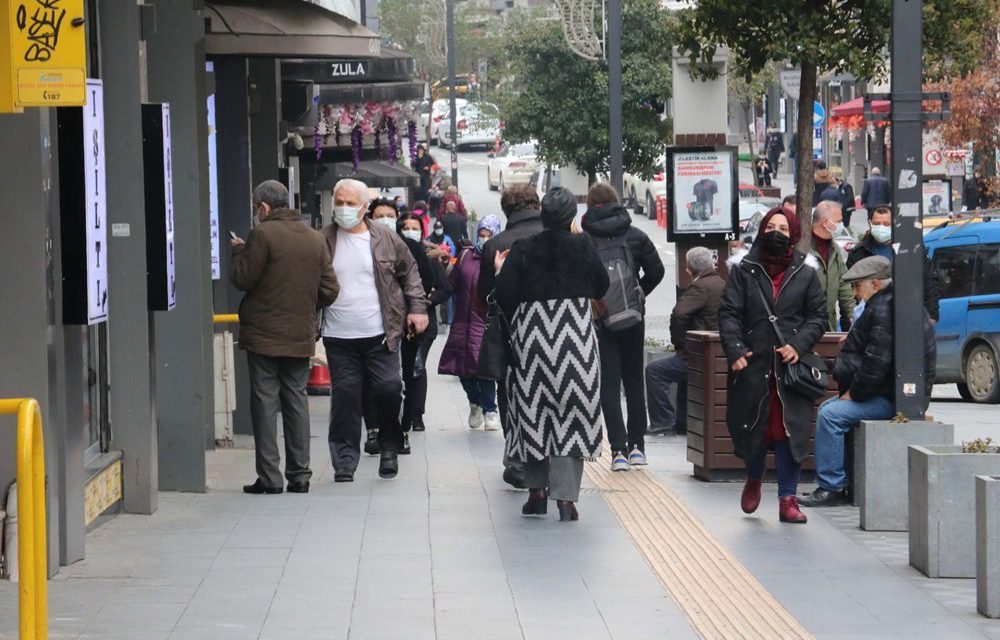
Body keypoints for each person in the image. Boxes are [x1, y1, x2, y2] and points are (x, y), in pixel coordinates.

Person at [494, 187, 610, 522]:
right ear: (572, 216)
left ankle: (536, 493)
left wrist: (502, 272)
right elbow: (601, 287)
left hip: (532, 342)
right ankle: (566, 499)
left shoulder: (523, 249)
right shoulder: (582, 246)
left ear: (543, 216)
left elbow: (503, 295)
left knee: (534, 413)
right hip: (576, 340)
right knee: (573, 417)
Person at [719, 207, 828, 524]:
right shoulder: (744, 269)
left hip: (789, 370)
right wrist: (735, 349)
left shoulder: (805, 273)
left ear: (793, 233)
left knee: (788, 432)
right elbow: (728, 313)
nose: (777, 233)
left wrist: (798, 344)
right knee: (754, 427)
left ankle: (788, 499)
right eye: (771, 226)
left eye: (783, 227)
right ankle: (754, 478)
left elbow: (818, 317)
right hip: (753, 365)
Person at [230, 180, 340, 495]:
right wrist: (304, 302)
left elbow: (243, 278)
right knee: (295, 399)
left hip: (263, 334)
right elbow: (331, 289)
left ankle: (270, 477)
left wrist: (239, 252)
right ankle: (300, 475)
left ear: (263, 207)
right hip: (299, 332)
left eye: (256, 209)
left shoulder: (262, 234)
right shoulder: (314, 238)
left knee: (265, 403)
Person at [800, 257, 937, 506]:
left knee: (830, 416)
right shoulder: (888, 303)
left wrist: (854, 393)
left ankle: (831, 486)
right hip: (887, 392)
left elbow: (877, 362)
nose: (854, 293)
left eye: (857, 286)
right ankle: (837, 481)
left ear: (875, 283)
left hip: (889, 398)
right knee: (829, 410)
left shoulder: (885, 308)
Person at [321, 179, 428, 483]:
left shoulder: (386, 238)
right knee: (346, 395)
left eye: (350, 203)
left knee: (390, 388)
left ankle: (390, 447)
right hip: (339, 335)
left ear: (365, 207)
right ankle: (344, 460)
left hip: (380, 333)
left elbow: (411, 276)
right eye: (338, 202)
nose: (343, 208)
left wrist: (417, 310)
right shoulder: (323, 240)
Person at [581, 183, 665, 470]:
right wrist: (638, 293)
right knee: (633, 380)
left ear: (591, 204)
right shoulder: (635, 235)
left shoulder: (585, 239)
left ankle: (617, 451)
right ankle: (637, 446)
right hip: (632, 317)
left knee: (609, 382)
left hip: (601, 318)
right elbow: (657, 271)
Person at [478, 184, 545, 489]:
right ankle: (546, 459)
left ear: (507, 210)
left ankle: (516, 455)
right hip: (555, 330)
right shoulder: (557, 237)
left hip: (512, 334)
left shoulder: (497, 244)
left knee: (511, 393)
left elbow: (484, 295)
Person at [646, 247, 724, 435]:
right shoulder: (720, 282)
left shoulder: (700, 287)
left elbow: (679, 313)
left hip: (700, 354)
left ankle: (662, 422)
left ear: (689, 269)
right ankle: (682, 421)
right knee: (681, 375)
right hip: (716, 353)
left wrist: (680, 343)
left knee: (655, 371)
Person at [439, 215, 504, 431]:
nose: (484, 239)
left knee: (483, 369)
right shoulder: (467, 255)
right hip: (461, 321)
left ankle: (490, 409)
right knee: (461, 369)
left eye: (489, 235)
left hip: (484, 322)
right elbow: (452, 284)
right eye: (482, 235)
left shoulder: (500, 258)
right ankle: (475, 404)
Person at [399, 212, 451, 435]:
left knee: (416, 366)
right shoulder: (392, 253)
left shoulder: (430, 257)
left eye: (415, 228)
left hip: (423, 322)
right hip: (396, 320)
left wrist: (426, 301)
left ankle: (416, 414)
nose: (411, 231)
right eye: (406, 227)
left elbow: (445, 288)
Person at [847, 205, 940, 322]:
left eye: (886, 224)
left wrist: (932, 315)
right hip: (871, 318)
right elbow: (850, 290)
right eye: (877, 223)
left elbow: (929, 280)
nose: (881, 227)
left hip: (908, 316)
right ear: (870, 223)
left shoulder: (912, 249)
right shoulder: (858, 253)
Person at [810, 201, 855, 331]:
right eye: (839, 221)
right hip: (805, 325)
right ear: (825, 223)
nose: (842, 225)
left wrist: (852, 316)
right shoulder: (802, 248)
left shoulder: (834, 249)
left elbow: (843, 284)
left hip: (828, 325)